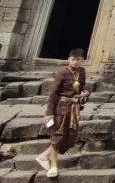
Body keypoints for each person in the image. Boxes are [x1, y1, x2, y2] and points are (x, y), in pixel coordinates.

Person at [36, 48, 90, 178]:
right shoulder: (62, 73)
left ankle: (43, 156)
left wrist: (86, 93)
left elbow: (81, 86)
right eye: (73, 60)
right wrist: (49, 113)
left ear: (82, 60)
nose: (75, 62)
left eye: (78, 60)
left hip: (74, 108)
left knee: (71, 137)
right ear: (68, 59)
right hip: (61, 107)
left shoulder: (81, 72)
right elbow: (52, 93)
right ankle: (53, 165)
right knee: (58, 135)